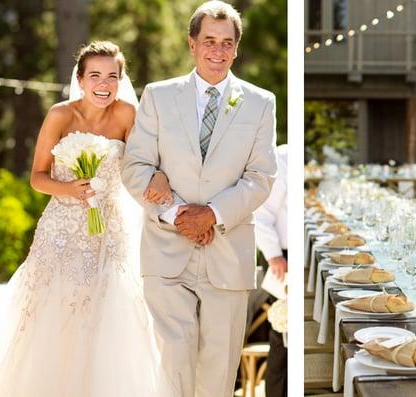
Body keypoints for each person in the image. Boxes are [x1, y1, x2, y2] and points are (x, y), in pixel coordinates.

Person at [0, 41, 175, 396]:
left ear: (121, 79)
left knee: (112, 309)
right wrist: (71, 189)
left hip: (111, 229)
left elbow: (142, 165)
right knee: (55, 310)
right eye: (95, 76)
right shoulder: (60, 114)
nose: (103, 84)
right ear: (80, 78)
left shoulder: (126, 115)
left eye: (112, 76)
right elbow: (38, 177)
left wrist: (160, 176)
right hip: (63, 228)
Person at [121, 1, 277, 396]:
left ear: (236, 49)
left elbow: (261, 177)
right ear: (192, 44)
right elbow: (135, 166)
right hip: (165, 253)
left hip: (228, 254)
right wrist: (178, 215)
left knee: (218, 372)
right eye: (209, 40)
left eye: (227, 43)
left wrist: (213, 214)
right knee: (174, 358)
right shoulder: (158, 96)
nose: (218, 51)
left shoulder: (260, 103)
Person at [254, 144, 288, 397]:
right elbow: (261, 212)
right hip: (281, 257)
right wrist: (274, 255)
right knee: (283, 336)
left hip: (295, 255)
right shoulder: (282, 157)